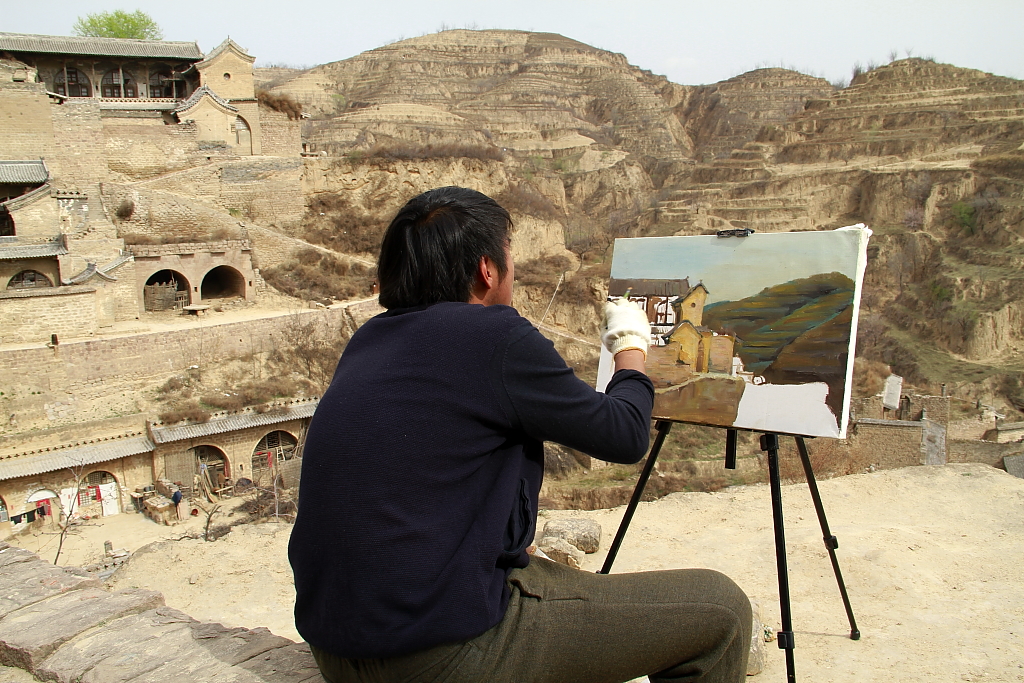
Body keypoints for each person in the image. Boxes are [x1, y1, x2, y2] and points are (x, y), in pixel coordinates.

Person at [288, 187, 751, 683]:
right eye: (510, 255)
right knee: (721, 610)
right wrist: (631, 349)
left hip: (336, 647)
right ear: (488, 269)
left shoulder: (369, 339)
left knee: (552, 577)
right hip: (435, 656)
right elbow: (625, 434)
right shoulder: (495, 337)